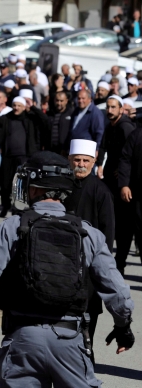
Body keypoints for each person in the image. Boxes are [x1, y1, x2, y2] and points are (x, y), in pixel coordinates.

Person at [0, 151, 134, 388]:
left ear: (33, 187)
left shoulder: (12, 227)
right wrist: (123, 326)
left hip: (23, 339)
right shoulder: (88, 232)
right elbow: (119, 294)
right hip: (70, 339)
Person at [63, 139, 115, 364]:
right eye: (77, 160)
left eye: (86, 160)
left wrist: (102, 263)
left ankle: (86, 350)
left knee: (88, 312)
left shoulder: (101, 191)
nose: (81, 164)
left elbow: (108, 231)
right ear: (69, 160)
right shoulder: (61, 186)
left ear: (94, 162)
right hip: (61, 261)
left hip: (89, 263)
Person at [97, 95, 137, 274]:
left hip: (121, 183)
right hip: (110, 181)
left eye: (114, 107)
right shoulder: (110, 126)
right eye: (108, 107)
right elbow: (103, 147)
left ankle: (120, 261)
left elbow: (129, 155)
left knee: (123, 225)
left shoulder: (126, 127)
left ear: (121, 109)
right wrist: (100, 165)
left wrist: (122, 176)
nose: (110, 110)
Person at [0, 96, 42, 217]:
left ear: (24, 107)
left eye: (19, 105)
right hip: (8, 156)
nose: (16, 108)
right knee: (5, 184)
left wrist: (33, 107)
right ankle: (5, 205)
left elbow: (44, 120)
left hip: (23, 157)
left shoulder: (30, 118)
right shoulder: (7, 118)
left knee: (19, 184)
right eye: (14, 105)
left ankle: (16, 208)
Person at [118, 121, 142, 273]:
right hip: (136, 195)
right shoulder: (136, 135)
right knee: (126, 235)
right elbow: (125, 159)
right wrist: (124, 184)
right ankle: (119, 268)